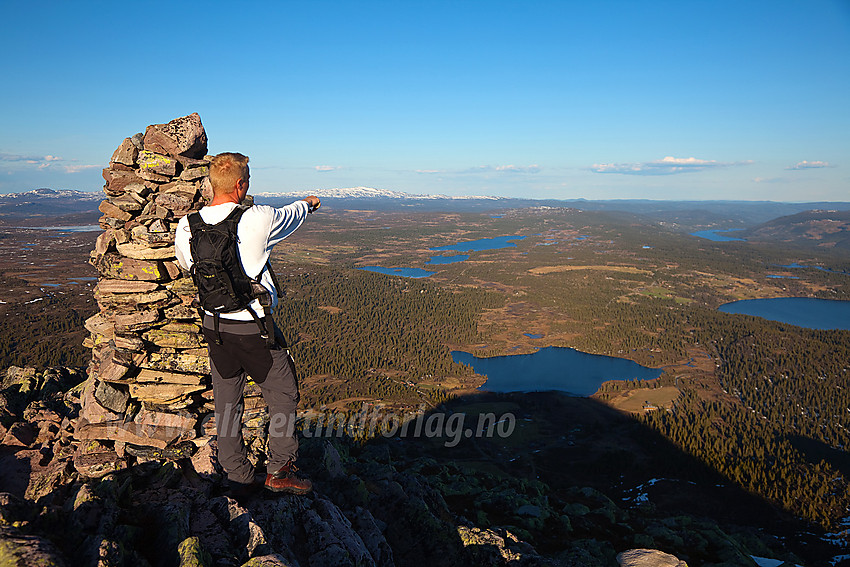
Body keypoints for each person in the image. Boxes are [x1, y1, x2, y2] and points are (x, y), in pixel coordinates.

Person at [174, 152, 320, 496]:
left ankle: (236, 474)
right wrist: (310, 203)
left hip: (214, 326)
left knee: (227, 399)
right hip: (252, 330)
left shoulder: (187, 225)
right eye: (248, 180)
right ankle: (280, 469)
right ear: (241, 185)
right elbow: (293, 214)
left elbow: (186, 265)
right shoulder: (258, 218)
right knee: (284, 394)